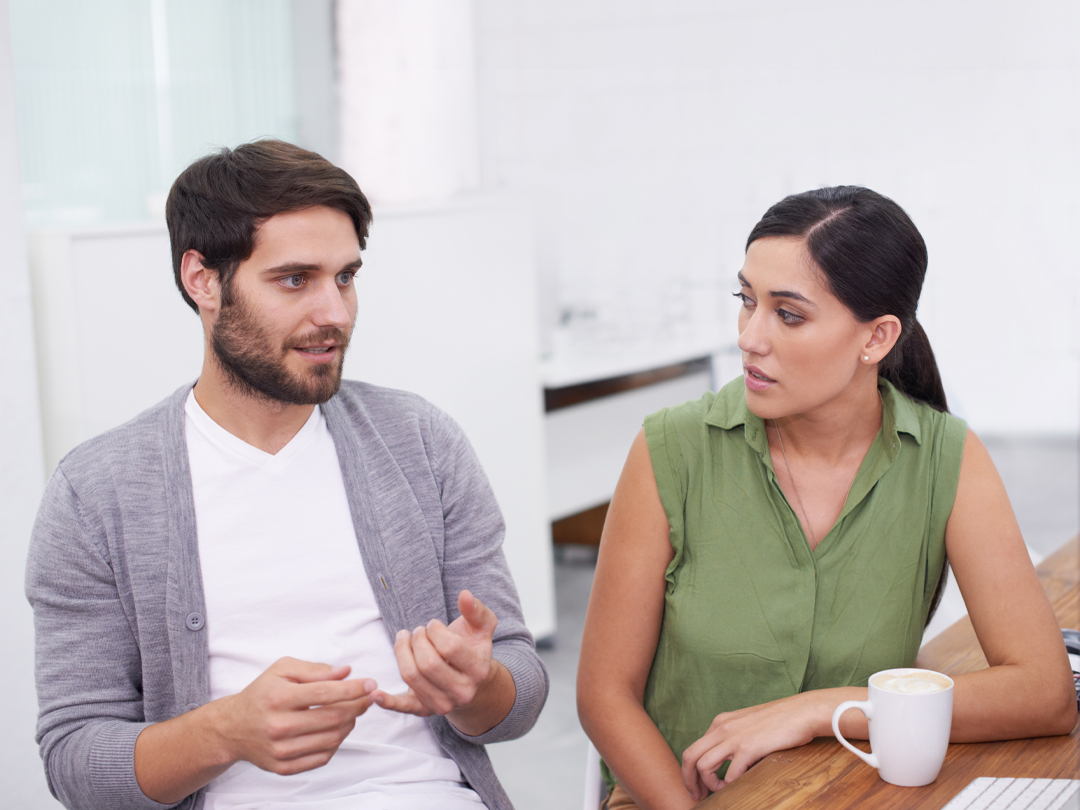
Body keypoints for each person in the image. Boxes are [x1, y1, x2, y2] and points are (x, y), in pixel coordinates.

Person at [26, 139, 548, 810]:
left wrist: (478, 690)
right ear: (203, 280)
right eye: (295, 279)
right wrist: (225, 733)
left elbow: (520, 687)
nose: (334, 313)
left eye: (345, 277)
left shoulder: (420, 442)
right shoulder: (96, 493)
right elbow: (74, 761)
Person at [577, 186, 1077, 810]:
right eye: (746, 301)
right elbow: (603, 696)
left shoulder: (947, 459)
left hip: (845, 793)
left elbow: (1045, 693)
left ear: (877, 338)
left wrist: (819, 710)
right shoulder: (669, 451)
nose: (750, 338)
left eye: (788, 314)